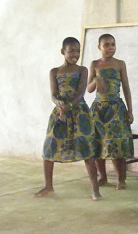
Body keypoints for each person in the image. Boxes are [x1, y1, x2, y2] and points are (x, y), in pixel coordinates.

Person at [33, 37, 101, 201]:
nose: (75, 54)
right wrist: (59, 104)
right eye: (71, 51)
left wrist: (68, 106)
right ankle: (48, 186)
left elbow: (80, 93)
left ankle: (95, 189)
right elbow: (53, 95)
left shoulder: (82, 70)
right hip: (60, 114)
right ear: (63, 51)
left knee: (86, 150)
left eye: (77, 51)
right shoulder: (54, 72)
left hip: (79, 113)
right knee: (49, 147)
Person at [87, 33, 134, 190]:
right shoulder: (94, 64)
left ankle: (121, 178)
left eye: (112, 44)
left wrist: (130, 110)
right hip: (98, 109)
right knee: (98, 143)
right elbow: (88, 89)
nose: (110, 48)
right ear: (99, 47)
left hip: (116, 108)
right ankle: (103, 176)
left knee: (116, 144)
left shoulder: (120, 64)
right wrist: (95, 81)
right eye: (106, 45)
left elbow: (126, 87)